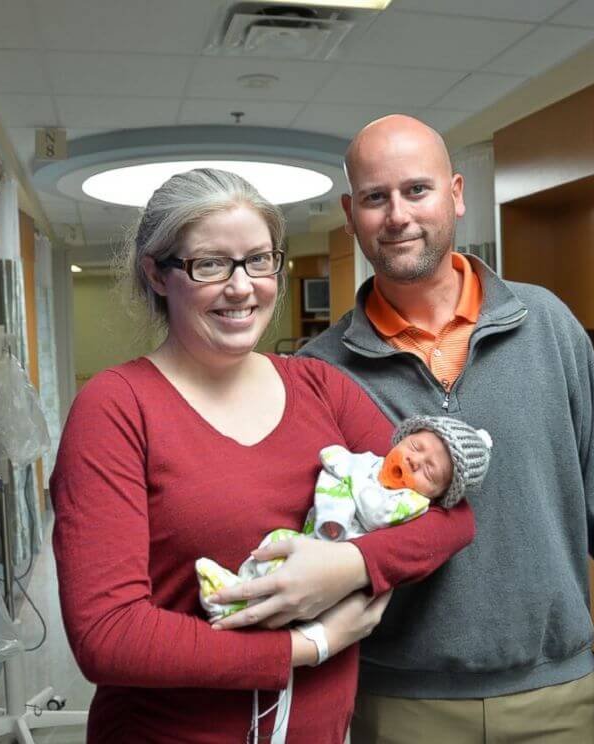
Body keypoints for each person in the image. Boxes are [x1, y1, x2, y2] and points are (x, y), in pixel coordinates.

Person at [49, 167, 476, 744]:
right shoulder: (116, 408)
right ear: (156, 273)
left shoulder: (321, 389)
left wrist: (342, 569)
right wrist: (308, 645)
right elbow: (109, 635)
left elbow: (450, 518)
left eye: (258, 260)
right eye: (209, 265)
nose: (241, 286)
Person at [297, 114, 594, 742]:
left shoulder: (547, 324)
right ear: (350, 212)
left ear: (455, 194)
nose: (397, 215)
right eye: (375, 197)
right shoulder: (319, 370)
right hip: (396, 699)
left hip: (553, 692)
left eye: (416, 190)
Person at [197, 414, 493, 623]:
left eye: (429, 471)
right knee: (276, 543)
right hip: (312, 536)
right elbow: (334, 465)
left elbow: (375, 512)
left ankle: (238, 607)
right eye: (415, 447)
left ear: (436, 495)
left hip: (342, 574)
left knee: (300, 595)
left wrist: (351, 478)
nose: (414, 461)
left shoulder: (411, 503)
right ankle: (238, 587)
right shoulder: (368, 463)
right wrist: (343, 472)